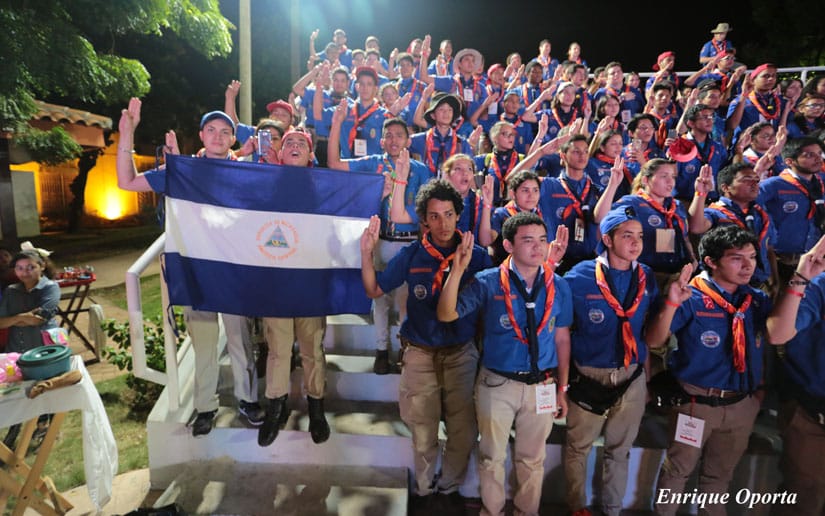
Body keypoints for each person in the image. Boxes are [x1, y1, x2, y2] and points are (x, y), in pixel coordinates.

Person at [116, 99, 265, 436]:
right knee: (204, 343)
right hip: (197, 270)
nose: (218, 136)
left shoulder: (246, 171)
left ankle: (248, 399)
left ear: (233, 139)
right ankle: (205, 407)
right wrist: (127, 134)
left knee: (241, 340)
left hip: (235, 272)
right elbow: (128, 182)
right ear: (201, 136)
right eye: (211, 130)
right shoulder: (183, 172)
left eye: (226, 131)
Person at [361, 179, 492, 512]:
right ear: (424, 221)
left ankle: (448, 487)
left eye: (449, 214)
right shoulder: (412, 255)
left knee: (463, 431)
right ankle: (424, 488)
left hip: (462, 352)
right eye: (434, 216)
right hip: (420, 352)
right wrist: (366, 253)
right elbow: (375, 290)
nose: (443, 224)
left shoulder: (476, 257)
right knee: (423, 430)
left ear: (459, 216)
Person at [437, 211, 570, 516]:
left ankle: (526, 511)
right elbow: (446, 314)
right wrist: (456, 272)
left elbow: (562, 338)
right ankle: (492, 510)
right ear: (508, 245)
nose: (538, 248)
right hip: (497, 383)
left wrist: (562, 387)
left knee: (532, 460)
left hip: (542, 385)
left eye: (541, 240)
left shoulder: (557, 285)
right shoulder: (488, 282)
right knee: (491, 456)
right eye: (528, 241)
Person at [646, 225, 769, 516]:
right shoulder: (692, 296)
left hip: (741, 403)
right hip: (696, 403)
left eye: (752, 257)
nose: (747, 265)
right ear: (711, 262)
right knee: (677, 471)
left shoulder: (756, 300)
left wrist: (759, 393)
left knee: (719, 477)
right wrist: (672, 304)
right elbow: (653, 340)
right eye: (737, 258)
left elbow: (768, 345)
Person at [563, 207, 658, 516]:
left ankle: (612, 509)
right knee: (578, 447)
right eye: (627, 236)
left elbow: (645, 328)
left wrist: (645, 375)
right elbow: (562, 331)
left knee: (619, 450)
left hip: (631, 375)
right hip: (588, 374)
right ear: (607, 238)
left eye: (640, 236)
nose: (635, 243)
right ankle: (576, 506)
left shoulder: (646, 276)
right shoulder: (578, 277)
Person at [327, 108, 429, 374]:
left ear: (409, 140)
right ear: (381, 141)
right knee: (379, 299)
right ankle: (381, 350)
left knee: (406, 299)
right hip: (381, 240)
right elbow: (335, 165)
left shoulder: (421, 170)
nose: (394, 140)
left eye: (399, 135)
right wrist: (336, 124)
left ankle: (407, 349)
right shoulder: (373, 163)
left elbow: (427, 209)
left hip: (409, 242)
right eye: (389, 136)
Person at [256, 130, 332, 446]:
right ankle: (276, 407)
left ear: (311, 155)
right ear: (280, 152)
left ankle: (317, 408)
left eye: (302, 143)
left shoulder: (325, 188)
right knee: (278, 349)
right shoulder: (265, 185)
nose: (295, 146)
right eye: (289, 142)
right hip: (275, 282)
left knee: (313, 347)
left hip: (310, 282)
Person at [765, 234, 825, 516]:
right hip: (811, 414)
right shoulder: (818, 285)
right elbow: (777, 333)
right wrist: (802, 275)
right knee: (803, 500)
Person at [693, 162, 777, 289]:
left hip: (759, 283)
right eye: (747, 180)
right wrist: (701, 194)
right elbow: (696, 227)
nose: (754, 184)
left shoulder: (760, 214)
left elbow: (768, 248)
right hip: (724, 286)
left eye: (756, 180)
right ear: (726, 187)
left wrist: (775, 280)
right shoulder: (715, 212)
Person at [758, 136, 825, 284]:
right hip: (782, 261)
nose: (818, 159)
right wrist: (758, 171)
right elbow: (746, 202)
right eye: (809, 155)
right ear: (789, 161)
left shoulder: (820, 184)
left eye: (820, 153)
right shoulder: (774, 185)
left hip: (814, 260)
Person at [409, 90, 474, 175]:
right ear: (433, 115)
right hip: (426, 186)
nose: (446, 113)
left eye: (450, 110)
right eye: (441, 109)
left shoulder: (462, 144)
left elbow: (469, 172)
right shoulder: (420, 139)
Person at [474, 120, 525, 206]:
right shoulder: (485, 159)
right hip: (491, 209)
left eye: (512, 134)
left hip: (515, 209)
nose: (510, 137)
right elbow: (462, 163)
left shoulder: (522, 159)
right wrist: (471, 144)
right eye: (505, 134)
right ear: (495, 138)